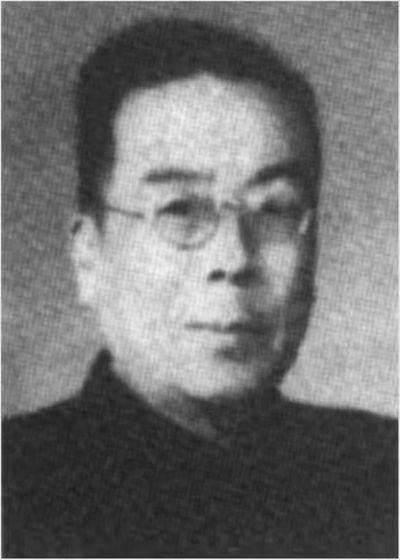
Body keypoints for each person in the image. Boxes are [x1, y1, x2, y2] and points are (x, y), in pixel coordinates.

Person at [3, 18, 397, 558]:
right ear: (89, 255)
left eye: (275, 209)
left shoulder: (380, 473)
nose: (233, 259)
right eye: (180, 208)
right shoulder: (16, 486)